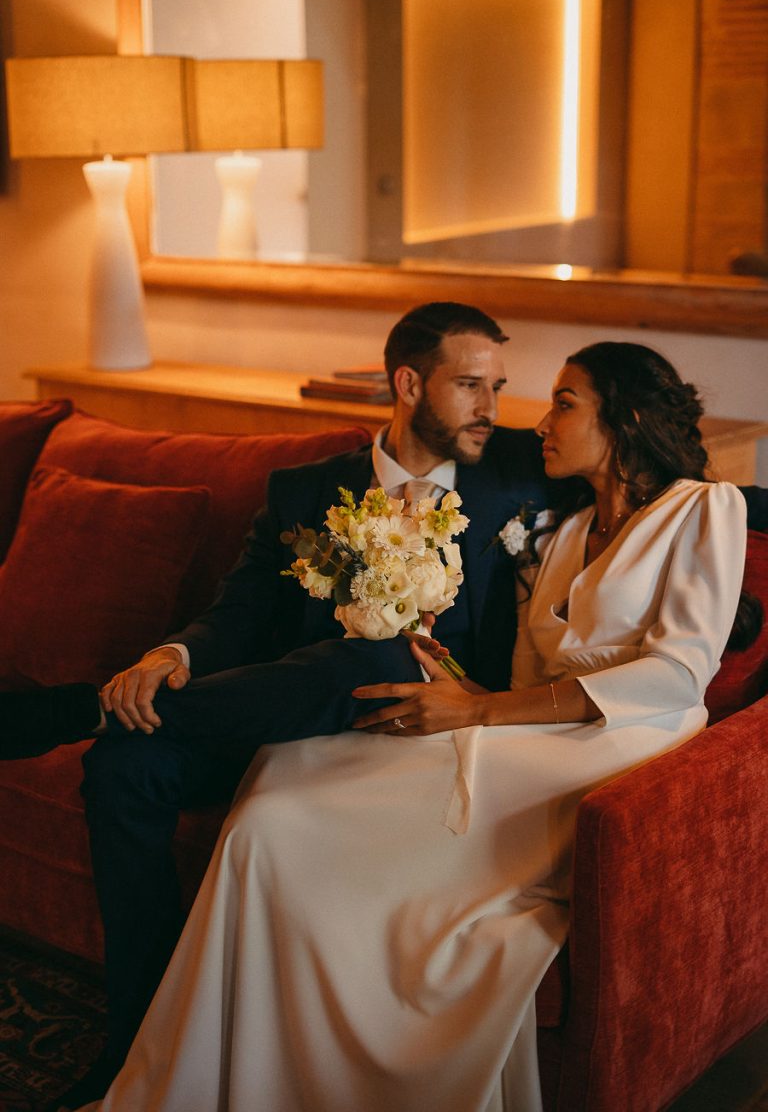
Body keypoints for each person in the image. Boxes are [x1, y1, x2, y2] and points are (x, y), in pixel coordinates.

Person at [79, 341, 749, 1112]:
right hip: (530, 731)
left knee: (305, 799)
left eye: (563, 402)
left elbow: (676, 673)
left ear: (626, 417)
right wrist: (452, 681)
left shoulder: (706, 507)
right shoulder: (560, 535)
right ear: (408, 383)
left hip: (625, 749)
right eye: (486, 387)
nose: (532, 420)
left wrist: (481, 713)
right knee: (272, 814)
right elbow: (525, 678)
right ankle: (253, 1074)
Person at [0, 303, 560, 1109]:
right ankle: (139, 1051)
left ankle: (88, 707)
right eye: (470, 386)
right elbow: (238, 613)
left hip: (435, 733)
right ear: (408, 384)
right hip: (285, 716)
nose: (491, 408)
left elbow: (667, 482)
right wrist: (170, 656)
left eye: (496, 387)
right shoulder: (306, 492)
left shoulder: (515, 469)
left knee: (381, 653)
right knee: (125, 765)